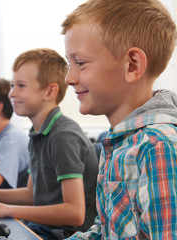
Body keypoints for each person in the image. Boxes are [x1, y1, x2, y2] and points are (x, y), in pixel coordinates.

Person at [0, 48, 99, 240]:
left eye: (21, 86)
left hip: (64, 234)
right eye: (12, 85)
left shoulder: (63, 136)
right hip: (42, 227)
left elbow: (75, 213)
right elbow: (30, 195)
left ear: (50, 91)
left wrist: (6, 209)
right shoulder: (37, 132)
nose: (12, 94)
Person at [62, 0, 177, 239]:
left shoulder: (157, 147)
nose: (69, 78)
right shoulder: (118, 140)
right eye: (69, 64)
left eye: (80, 63)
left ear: (132, 65)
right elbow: (105, 231)